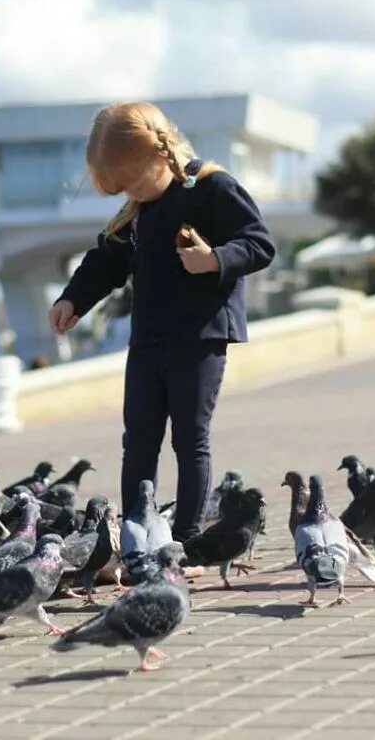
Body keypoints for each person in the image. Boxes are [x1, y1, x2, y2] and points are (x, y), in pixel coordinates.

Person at [48, 102, 275, 542]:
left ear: (160, 155)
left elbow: (259, 243)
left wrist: (215, 259)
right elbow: (108, 260)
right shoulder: (139, 209)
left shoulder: (212, 188)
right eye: (122, 190)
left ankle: (186, 539)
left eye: (133, 182)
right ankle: (137, 534)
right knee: (138, 440)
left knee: (189, 440)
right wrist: (73, 299)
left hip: (199, 339)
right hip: (148, 341)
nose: (132, 194)